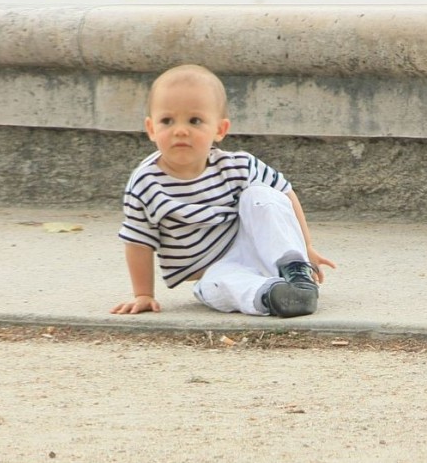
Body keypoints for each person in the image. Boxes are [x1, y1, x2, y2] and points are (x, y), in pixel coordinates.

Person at [111, 64, 336, 317]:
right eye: (167, 121)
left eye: (195, 121)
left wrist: (305, 246)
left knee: (262, 194)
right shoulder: (145, 184)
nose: (181, 130)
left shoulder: (237, 165)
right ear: (151, 129)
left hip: (261, 246)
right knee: (222, 285)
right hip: (211, 269)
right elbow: (137, 241)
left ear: (220, 129)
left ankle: (295, 270)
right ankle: (274, 295)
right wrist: (143, 294)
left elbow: (285, 193)